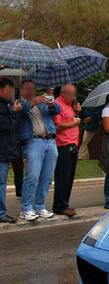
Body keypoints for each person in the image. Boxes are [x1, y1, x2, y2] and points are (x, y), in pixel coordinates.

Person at [17, 79, 60, 221]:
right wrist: (32, 102)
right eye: (28, 89)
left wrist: (52, 104)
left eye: (33, 89)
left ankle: (40, 205)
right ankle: (26, 208)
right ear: (22, 90)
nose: (31, 91)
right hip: (33, 141)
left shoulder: (41, 102)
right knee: (33, 175)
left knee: (47, 176)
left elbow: (56, 111)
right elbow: (17, 113)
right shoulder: (18, 104)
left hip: (50, 139)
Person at [53, 84, 81, 217]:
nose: (73, 97)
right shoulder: (57, 104)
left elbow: (69, 118)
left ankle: (65, 203)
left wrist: (75, 112)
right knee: (63, 176)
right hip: (63, 144)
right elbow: (57, 126)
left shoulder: (69, 105)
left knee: (69, 176)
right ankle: (60, 205)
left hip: (72, 143)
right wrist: (72, 123)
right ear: (64, 93)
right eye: (71, 94)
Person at [0, 78, 23, 223]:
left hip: (4, 149)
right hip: (1, 151)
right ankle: (1, 213)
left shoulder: (4, 106)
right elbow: (7, 128)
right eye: (9, 91)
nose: (11, 94)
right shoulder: (2, 108)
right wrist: (14, 113)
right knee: (1, 182)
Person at [78, 86, 101, 160]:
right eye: (88, 91)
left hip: (95, 125)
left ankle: (83, 156)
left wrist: (91, 117)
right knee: (85, 141)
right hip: (89, 125)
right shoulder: (88, 101)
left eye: (90, 91)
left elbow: (99, 113)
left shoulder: (98, 101)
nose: (88, 93)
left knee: (87, 141)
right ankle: (83, 155)